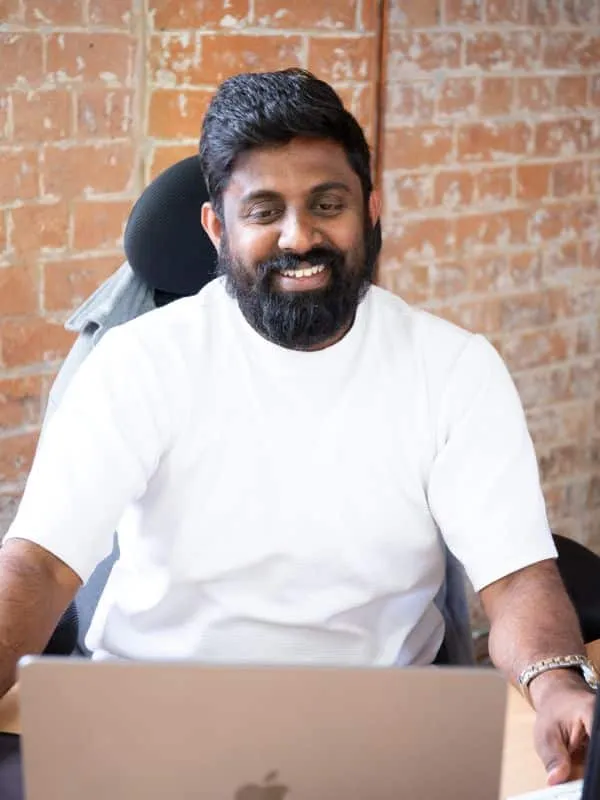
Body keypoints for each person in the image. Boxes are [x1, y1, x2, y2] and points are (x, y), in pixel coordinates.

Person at [0, 69, 595, 786]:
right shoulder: (140, 362)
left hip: (379, 734)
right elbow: (39, 565)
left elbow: (516, 577)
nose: (300, 236)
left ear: (370, 209)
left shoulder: (454, 368)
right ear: (217, 227)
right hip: (151, 722)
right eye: (264, 211)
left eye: (327, 204)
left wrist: (557, 684)